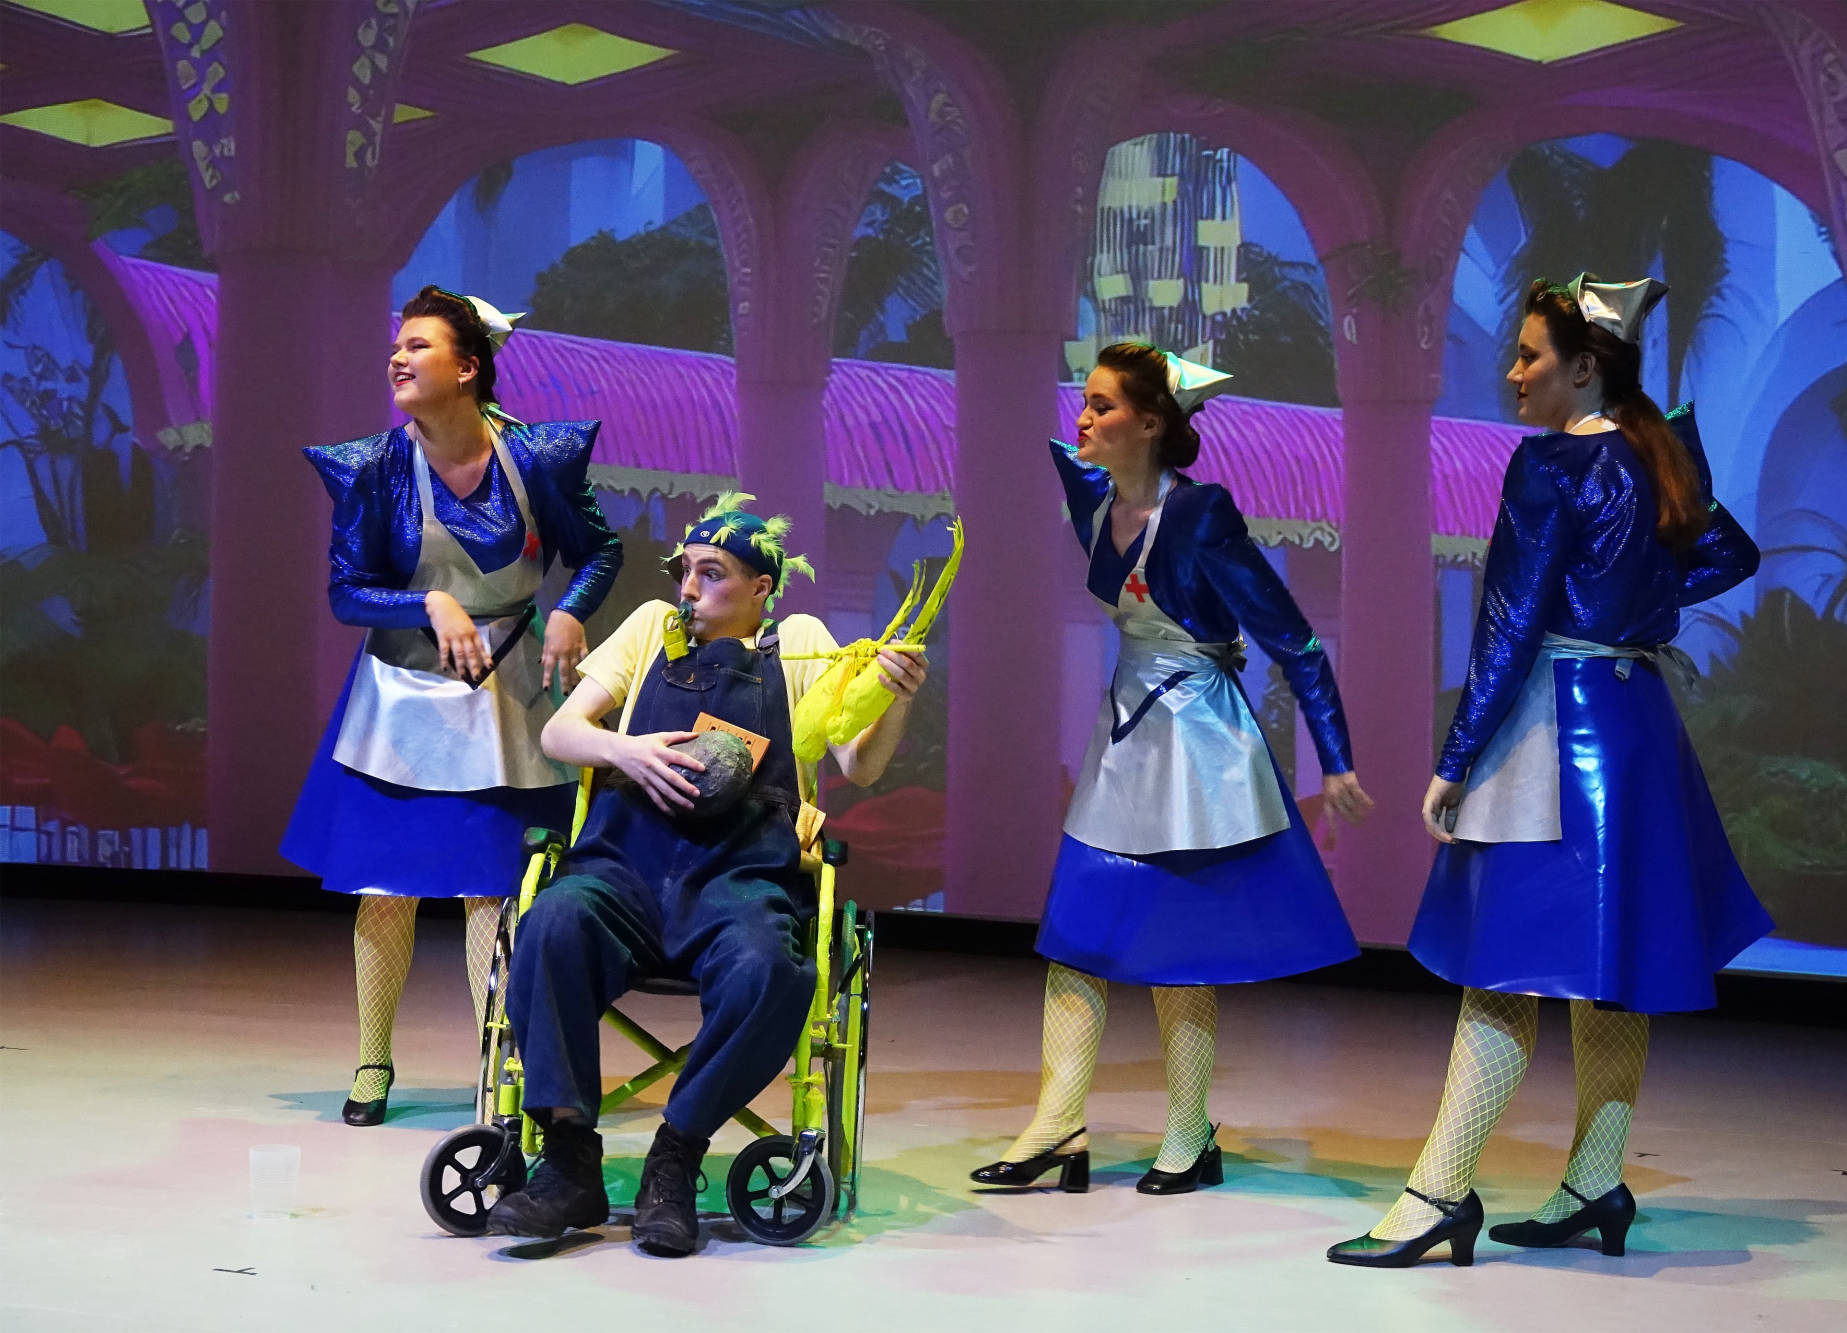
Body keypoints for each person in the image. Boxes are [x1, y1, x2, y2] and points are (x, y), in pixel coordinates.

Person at [1326, 275, 1771, 1269]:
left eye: (1530, 355)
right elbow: (1732, 554)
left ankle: (1437, 1195)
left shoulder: (1548, 465)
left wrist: (1454, 759)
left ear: (1583, 367)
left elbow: (1510, 621)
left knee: (1500, 967)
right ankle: (1593, 1181)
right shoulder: (1653, 452)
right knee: (1609, 973)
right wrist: (1637, 604)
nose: (1513, 372)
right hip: (1635, 726)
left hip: (1552, 732)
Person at [972, 343, 1374, 1197]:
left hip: (1197, 739)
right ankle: (1059, 1123)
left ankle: (1190, 1132)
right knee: (1074, 929)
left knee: (1179, 943)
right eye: (1084, 401)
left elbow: (1294, 637)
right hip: (1125, 729)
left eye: (1103, 405)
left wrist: (1335, 757)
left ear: (1151, 422)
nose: (1083, 417)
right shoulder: (1091, 496)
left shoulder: (1200, 514)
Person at [486, 496, 927, 1257]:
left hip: (739, 880)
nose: (688, 588)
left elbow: (859, 764)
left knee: (773, 970)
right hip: (625, 870)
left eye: (712, 574)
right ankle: (567, 1160)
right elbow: (562, 731)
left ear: (761, 587)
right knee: (551, 920)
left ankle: (676, 1155)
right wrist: (627, 751)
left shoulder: (800, 644)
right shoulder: (649, 628)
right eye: (684, 570)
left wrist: (895, 699)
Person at [283, 286, 622, 1127]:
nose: (397, 357)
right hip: (400, 698)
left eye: (419, 346)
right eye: (397, 345)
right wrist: (428, 603)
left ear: (469, 368)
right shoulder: (374, 468)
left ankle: (497, 1068)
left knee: (492, 891)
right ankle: (372, 1059)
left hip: (505, 699)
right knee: (384, 889)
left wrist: (572, 608)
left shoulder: (535, 457)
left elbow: (599, 548)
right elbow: (347, 590)